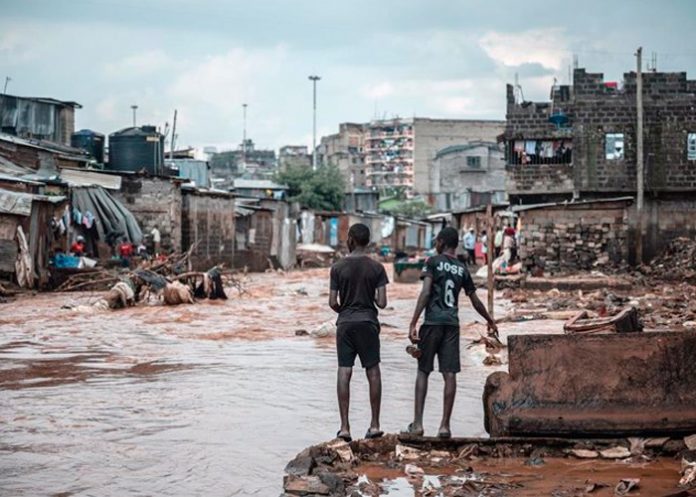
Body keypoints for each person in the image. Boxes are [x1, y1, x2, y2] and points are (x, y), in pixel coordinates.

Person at [404, 227, 498, 438]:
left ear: (442, 242)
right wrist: (489, 320)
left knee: (423, 371)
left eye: (437, 240)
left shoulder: (432, 262)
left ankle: (417, 424)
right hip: (452, 325)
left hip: (432, 323)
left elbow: (426, 292)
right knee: (450, 374)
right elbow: (474, 299)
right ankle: (445, 426)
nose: (436, 243)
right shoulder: (462, 268)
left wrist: (413, 321)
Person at [329, 223, 389, 442]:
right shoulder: (377, 268)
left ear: (351, 240)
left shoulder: (337, 268)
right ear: (368, 241)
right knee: (373, 371)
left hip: (345, 323)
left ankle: (344, 428)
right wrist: (367, 297)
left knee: (344, 371)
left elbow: (332, 302)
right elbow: (382, 303)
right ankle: (375, 425)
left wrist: (345, 309)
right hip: (368, 323)